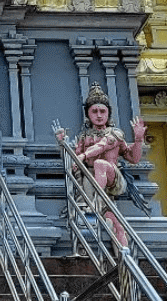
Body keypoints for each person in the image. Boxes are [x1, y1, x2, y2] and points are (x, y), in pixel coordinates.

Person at [56, 84, 145, 247]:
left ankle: (95, 202)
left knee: (100, 164)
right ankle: (124, 264)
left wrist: (138, 140)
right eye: (94, 111)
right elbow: (73, 163)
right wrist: (63, 144)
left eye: (102, 111)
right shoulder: (84, 136)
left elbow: (132, 157)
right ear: (88, 115)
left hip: (113, 180)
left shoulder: (115, 134)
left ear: (108, 113)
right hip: (90, 182)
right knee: (117, 226)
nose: (98, 115)